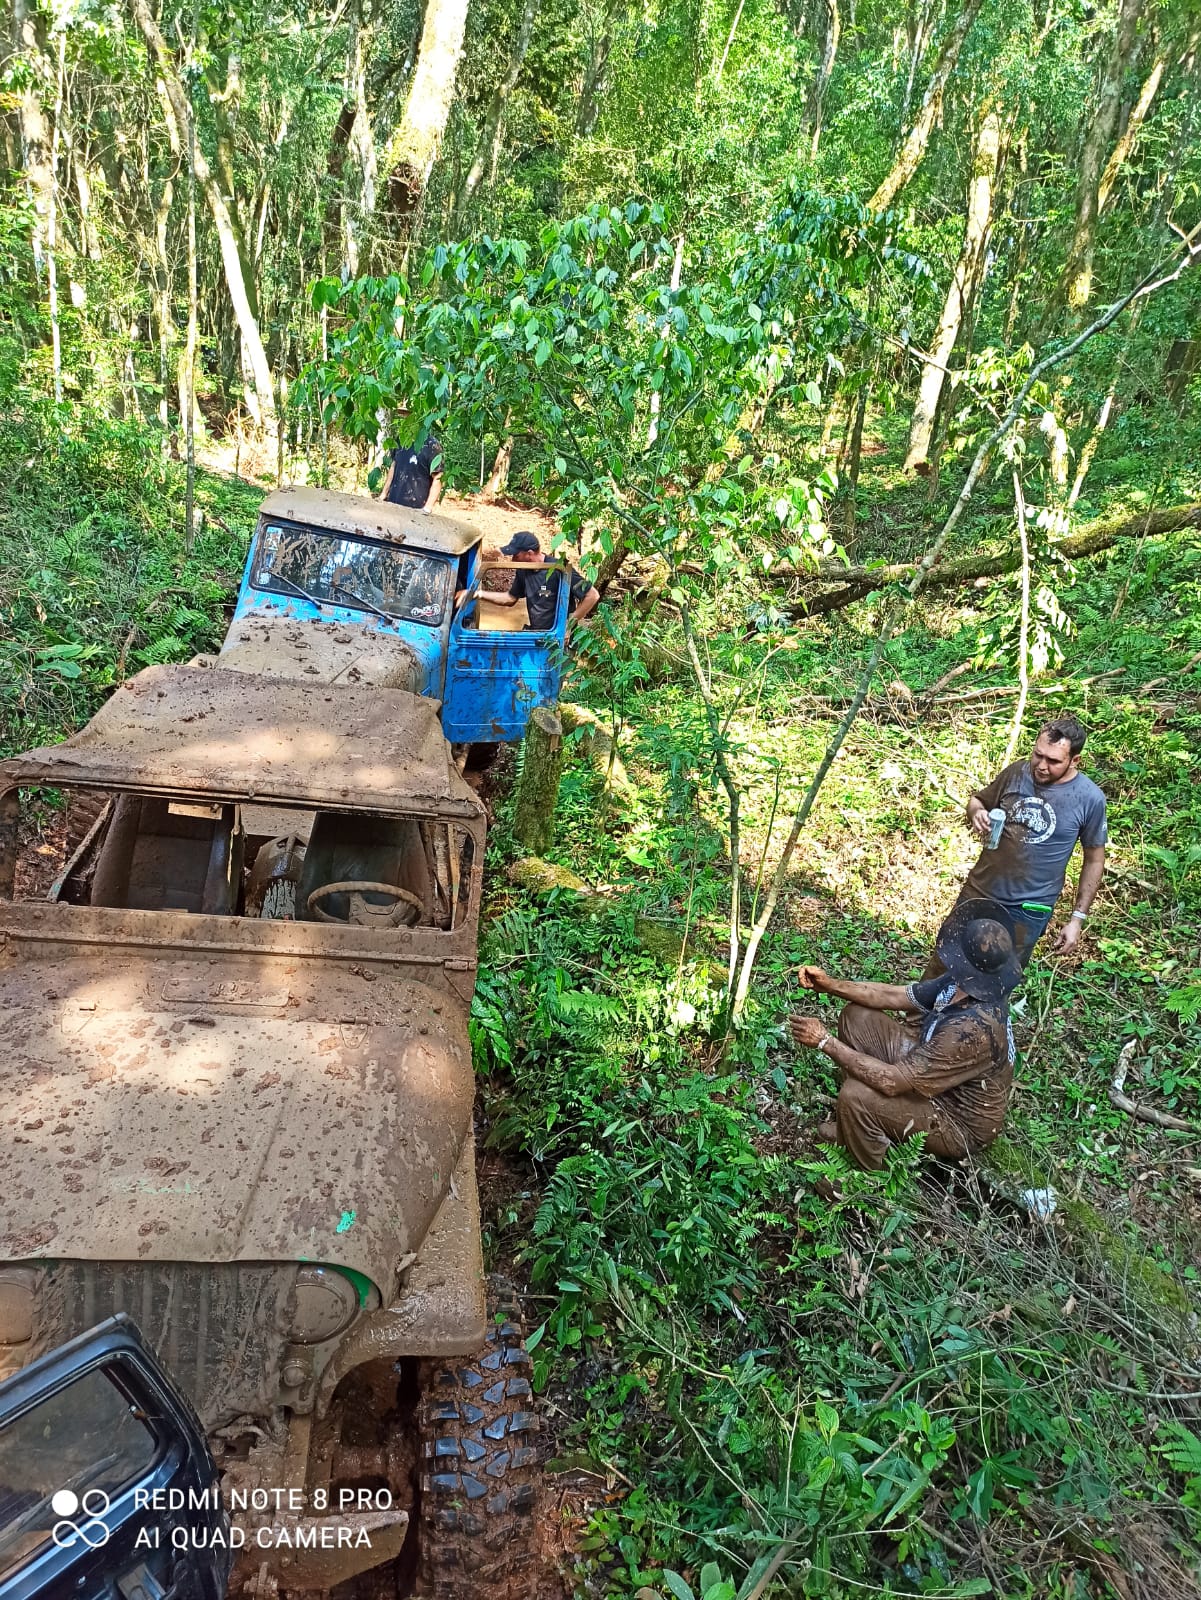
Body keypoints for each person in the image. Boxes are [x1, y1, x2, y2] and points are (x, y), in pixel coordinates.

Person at [789, 899, 1021, 1171]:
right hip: (934, 1073)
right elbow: (894, 995)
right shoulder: (962, 983)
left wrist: (824, 1042)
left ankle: (865, 1174)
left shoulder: (972, 1030)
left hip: (954, 1118)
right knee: (857, 1018)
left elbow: (891, 1082)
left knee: (855, 1095)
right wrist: (832, 986)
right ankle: (856, 1127)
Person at [934, 715, 1107, 970]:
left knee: (995, 978)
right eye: (1038, 755)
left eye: (1053, 761)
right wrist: (977, 813)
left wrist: (1077, 919)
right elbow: (977, 801)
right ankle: (921, 1011)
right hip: (980, 890)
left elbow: (1094, 859)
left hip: (1028, 908)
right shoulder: (1017, 772)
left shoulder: (1089, 799)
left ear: (1075, 761)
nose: (1041, 765)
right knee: (946, 960)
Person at [479, 531, 600, 635]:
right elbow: (510, 598)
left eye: (516, 555)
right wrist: (477, 594)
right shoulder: (523, 570)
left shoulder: (559, 569)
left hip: (559, 639)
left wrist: (567, 627)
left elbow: (592, 595)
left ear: (529, 553)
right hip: (537, 636)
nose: (513, 559)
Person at [379, 427, 443, 512]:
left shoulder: (432, 445)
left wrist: (428, 507)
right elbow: (394, 465)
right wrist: (384, 494)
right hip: (393, 503)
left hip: (416, 508)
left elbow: (438, 476)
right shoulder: (401, 439)